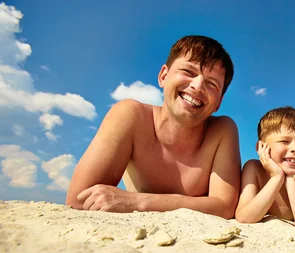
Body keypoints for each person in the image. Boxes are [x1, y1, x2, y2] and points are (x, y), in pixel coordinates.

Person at [66, 35, 240, 218]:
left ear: (219, 102)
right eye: (188, 72)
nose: (197, 86)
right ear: (163, 76)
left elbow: (224, 206)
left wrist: (138, 201)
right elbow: (79, 200)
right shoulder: (131, 116)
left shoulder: (221, 130)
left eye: (212, 84)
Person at [235, 106, 295, 223]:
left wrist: (292, 182)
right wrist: (276, 177)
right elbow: (245, 217)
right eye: (284, 141)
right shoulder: (254, 169)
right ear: (261, 147)